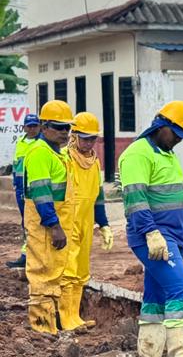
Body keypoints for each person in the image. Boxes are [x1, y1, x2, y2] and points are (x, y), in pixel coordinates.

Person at [118, 100, 183, 357]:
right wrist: (151, 233)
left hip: (171, 236)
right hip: (152, 236)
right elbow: (135, 201)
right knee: (181, 287)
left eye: (182, 137)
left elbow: (173, 198)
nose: (178, 140)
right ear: (161, 125)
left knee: (156, 295)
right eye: (175, 134)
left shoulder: (166, 153)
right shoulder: (138, 154)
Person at [58, 112, 114, 333]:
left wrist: (104, 224)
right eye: (86, 138)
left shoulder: (94, 161)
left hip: (86, 220)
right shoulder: (65, 159)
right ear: (74, 136)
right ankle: (66, 317)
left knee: (82, 269)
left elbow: (98, 195)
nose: (90, 142)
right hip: (68, 220)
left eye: (93, 138)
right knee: (68, 269)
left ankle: (75, 315)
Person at [23, 101, 73, 334]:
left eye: (67, 128)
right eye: (58, 127)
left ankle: (50, 326)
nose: (64, 132)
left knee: (52, 273)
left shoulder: (56, 153)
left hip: (54, 223)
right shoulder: (40, 154)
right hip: (45, 225)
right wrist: (54, 225)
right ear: (44, 126)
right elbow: (42, 194)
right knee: (42, 273)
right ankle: (42, 330)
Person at [7, 113, 41, 269]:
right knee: (26, 221)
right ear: (24, 127)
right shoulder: (20, 143)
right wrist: (15, 184)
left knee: (37, 221)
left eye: (35, 125)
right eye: (30, 126)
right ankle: (26, 254)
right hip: (21, 189)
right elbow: (16, 166)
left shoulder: (42, 143)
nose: (32, 129)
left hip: (35, 188)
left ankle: (35, 256)